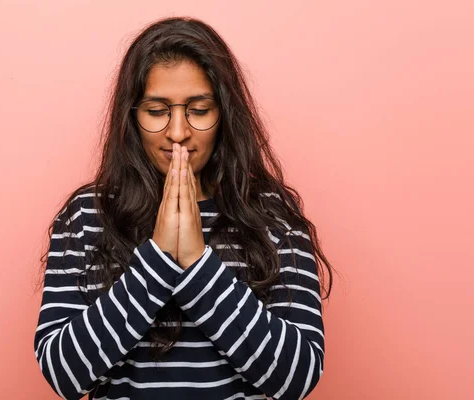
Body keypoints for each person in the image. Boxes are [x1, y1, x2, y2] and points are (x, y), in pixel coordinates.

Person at [34, 16, 333, 400]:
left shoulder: (274, 214)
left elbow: (298, 378)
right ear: (132, 117)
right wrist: (158, 258)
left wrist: (196, 260)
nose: (178, 132)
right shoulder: (86, 215)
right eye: (157, 111)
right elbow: (63, 375)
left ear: (224, 115)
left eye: (199, 109)